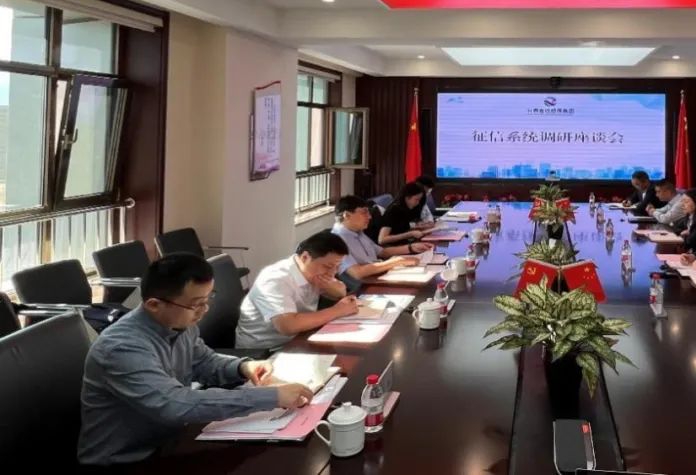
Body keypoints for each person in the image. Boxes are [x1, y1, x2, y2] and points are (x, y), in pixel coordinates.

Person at [78, 254, 313, 466]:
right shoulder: (121, 348)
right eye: (196, 304)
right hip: (127, 460)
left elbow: (203, 362)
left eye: (207, 299)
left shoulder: (179, 321)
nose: (204, 310)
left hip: (173, 441)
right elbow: (175, 405)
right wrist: (271, 396)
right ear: (154, 305)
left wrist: (243, 367)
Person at [235, 231, 360, 350]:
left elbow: (341, 292)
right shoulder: (275, 279)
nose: (332, 273)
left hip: (299, 339)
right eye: (328, 266)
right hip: (265, 352)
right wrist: (337, 311)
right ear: (305, 257)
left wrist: (328, 286)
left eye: (337, 267)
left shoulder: (311, 271)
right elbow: (288, 326)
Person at [332, 195, 434, 289]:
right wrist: (395, 262)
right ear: (347, 215)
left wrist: (411, 247)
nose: (369, 217)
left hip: (380, 275)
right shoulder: (337, 239)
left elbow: (382, 252)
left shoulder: (357, 231)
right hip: (366, 287)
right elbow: (357, 273)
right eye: (364, 212)